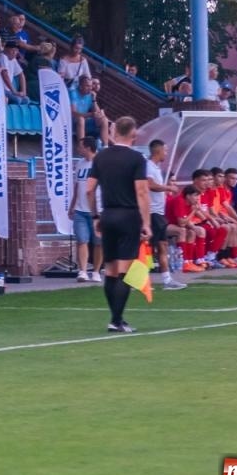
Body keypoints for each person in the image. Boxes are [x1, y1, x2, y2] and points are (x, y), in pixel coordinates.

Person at [84, 116, 152, 333]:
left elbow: (89, 189)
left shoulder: (101, 157)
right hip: (128, 215)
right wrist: (146, 222)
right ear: (134, 134)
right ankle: (116, 319)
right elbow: (141, 191)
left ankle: (116, 319)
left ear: (114, 132)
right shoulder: (137, 159)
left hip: (108, 215)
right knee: (124, 270)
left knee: (110, 269)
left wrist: (95, 216)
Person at [144, 139, 186, 290]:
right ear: (158, 151)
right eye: (165, 150)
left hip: (158, 213)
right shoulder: (148, 166)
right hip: (152, 212)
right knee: (150, 246)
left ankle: (166, 280)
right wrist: (168, 188)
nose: (166, 153)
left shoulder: (155, 167)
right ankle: (141, 280)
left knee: (161, 245)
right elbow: (150, 185)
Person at [70, 137, 103, 282]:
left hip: (98, 211)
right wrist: (72, 206)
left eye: (81, 146)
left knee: (98, 242)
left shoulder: (101, 163)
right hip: (80, 210)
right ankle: (82, 271)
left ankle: (96, 271)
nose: (78, 149)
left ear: (88, 148)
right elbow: (77, 187)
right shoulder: (79, 164)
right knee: (81, 240)